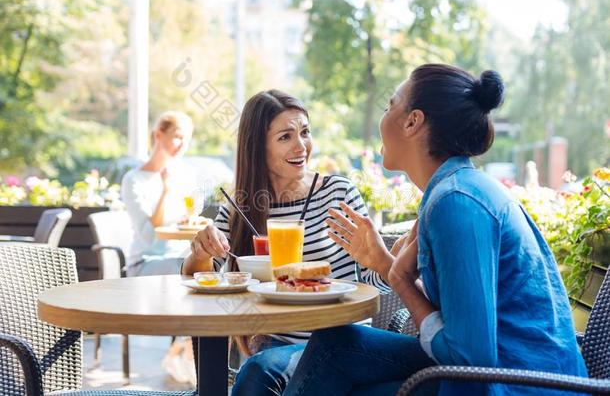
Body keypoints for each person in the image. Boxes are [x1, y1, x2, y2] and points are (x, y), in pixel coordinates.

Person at [280, 64, 588, 395]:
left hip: (521, 386)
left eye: (390, 106)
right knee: (335, 343)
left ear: (413, 121)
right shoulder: (455, 190)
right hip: (501, 371)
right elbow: (461, 320)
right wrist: (386, 266)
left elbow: (470, 360)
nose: (383, 119)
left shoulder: (456, 203)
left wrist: (400, 281)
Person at [182, 89, 389, 395]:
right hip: (276, 344)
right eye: (285, 137)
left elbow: (375, 277)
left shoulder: (338, 194)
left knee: (259, 371)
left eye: (305, 132)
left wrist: (390, 257)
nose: (301, 146)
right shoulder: (241, 207)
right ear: (258, 147)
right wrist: (201, 251)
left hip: (339, 337)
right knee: (259, 369)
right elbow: (197, 277)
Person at [122, 110, 198, 276]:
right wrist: (165, 191)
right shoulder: (133, 179)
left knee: (215, 265)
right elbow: (149, 235)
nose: (182, 145)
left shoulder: (186, 174)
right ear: (158, 135)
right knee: (191, 269)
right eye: (178, 137)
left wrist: (190, 219)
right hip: (144, 262)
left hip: (180, 256)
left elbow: (192, 214)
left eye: (186, 140)